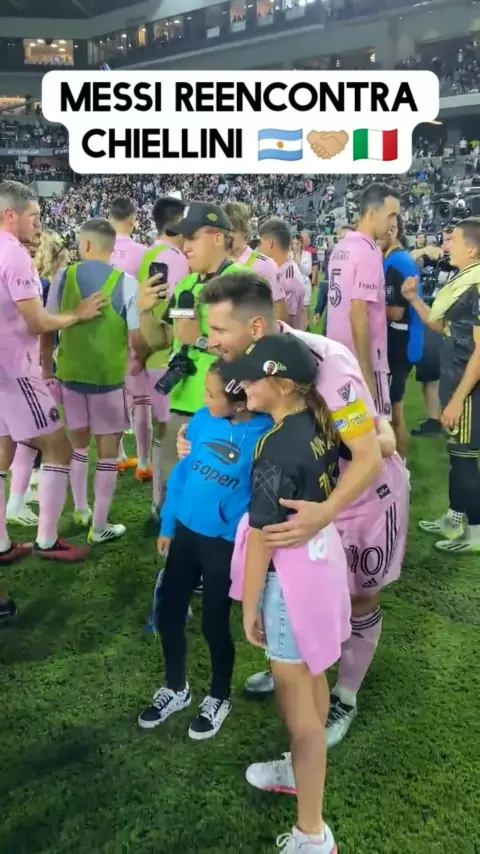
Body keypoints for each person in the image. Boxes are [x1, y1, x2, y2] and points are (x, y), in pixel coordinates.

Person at [221, 333, 348, 854]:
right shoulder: (317, 419)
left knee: (300, 717)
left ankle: (311, 834)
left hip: (290, 582)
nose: (244, 386)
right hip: (320, 567)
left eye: (254, 379)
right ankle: (301, 772)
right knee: (313, 679)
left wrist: (249, 604)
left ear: (285, 384)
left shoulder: (275, 445)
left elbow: (264, 538)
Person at [137, 360, 271, 739]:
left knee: (215, 623)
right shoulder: (201, 420)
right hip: (185, 534)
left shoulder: (266, 437)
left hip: (223, 545)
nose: (205, 400)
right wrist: (168, 524)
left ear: (240, 402)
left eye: (211, 394)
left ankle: (218, 696)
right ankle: (176, 688)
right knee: (169, 613)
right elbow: (183, 475)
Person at [0, 180, 102, 564]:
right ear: (10, 215)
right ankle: (47, 540)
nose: (38, 224)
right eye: (34, 216)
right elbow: (39, 322)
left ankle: (2, 544)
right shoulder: (14, 255)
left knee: (3, 451)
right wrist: (77, 315)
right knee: (59, 447)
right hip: (15, 369)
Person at [44, 217, 148, 545]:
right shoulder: (126, 283)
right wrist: (141, 359)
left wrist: (46, 368)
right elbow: (137, 338)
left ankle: (80, 510)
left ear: (86, 245)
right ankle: (99, 526)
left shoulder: (63, 277)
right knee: (106, 454)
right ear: (111, 247)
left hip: (71, 376)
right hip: (107, 381)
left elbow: (47, 327)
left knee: (78, 446)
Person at [139, 202, 246, 484]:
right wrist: (144, 311)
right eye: (184, 238)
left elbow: (252, 346)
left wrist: (198, 340)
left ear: (217, 238)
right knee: (172, 486)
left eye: (193, 238)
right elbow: (162, 340)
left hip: (224, 409)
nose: (185, 246)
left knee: (213, 489)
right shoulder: (186, 286)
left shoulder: (243, 283)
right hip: (180, 403)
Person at [403, 217, 480, 552]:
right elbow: (441, 327)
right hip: (455, 378)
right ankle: (454, 518)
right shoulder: (463, 281)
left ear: (472, 249)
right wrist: (413, 299)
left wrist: (458, 399)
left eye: (454, 241)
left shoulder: (477, 285)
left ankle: (475, 532)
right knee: (456, 455)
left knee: (465, 458)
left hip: (469, 387)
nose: (448, 246)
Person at [7, 229, 69, 526]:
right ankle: (19, 504)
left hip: (19, 365)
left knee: (23, 439)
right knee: (38, 439)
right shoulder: (44, 285)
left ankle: (21, 496)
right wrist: (46, 369)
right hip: (27, 367)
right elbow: (43, 329)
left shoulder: (35, 280)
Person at [326, 182, 399, 416]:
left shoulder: (341, 247)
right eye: (391, 215)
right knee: (377, 430)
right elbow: (358, 311)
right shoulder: (369, 250)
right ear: (372, 214)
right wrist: (367, 372)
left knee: (348, 428)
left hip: (338, 357)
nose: (394, 223)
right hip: (362, 359)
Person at [139, 196, 189, 519]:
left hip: (151, 357)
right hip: (168, 358)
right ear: (176, 223)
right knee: (172, 436)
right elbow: (175, 314)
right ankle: (166, 506)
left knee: (164, 434)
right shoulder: (174, 258)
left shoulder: (149, 254)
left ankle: (160, 504)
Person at [109, 196, 152, 479]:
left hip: (106, 332)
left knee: (114, 395)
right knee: (142, 399)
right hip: (134, 329)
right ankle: (145, 462)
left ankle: (118, 455)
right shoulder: (143, 253)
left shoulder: (100, 250)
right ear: (134, 219)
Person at [379, 215, 424, 459]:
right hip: (404, 340)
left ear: (393, 232)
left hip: (399, 343)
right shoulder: (399, 259)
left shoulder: (396, 263)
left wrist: (366, 307)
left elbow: (396, 312)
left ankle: (401, 469)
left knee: (394, 411)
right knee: (391, 409)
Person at [410, 228, 458, 437]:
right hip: (429, 316)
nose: (447, 244)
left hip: (450, 322)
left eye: (451, 240)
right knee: (429, 373)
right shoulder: (435, 258)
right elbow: (408, 260)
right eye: (445, 239)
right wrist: (425, 250)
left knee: (448, 374)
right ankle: (434, 419)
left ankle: (447, 419)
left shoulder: (465, 265)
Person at [222, 201, 288, 321]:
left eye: (233, 230)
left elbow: (280, 314)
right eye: (224, 231)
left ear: (244, 231)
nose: (228, 236)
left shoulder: (265, 265)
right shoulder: (214, 263)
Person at [258, 218, 305, 329]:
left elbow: (285, 321)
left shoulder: (289, 276)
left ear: (270, 244)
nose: (260, 248)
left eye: (261, 243)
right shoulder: (278, 271)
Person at [291, 232, 313, 328]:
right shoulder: (289, 255)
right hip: (293, 285)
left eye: (297, 244)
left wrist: (299, 264)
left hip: (305, 283)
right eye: (293, 244)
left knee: (304, 309)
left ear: (301, 244)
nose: (295, 246)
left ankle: (304, 329)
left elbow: (308, 271)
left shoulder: (307, 255)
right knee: (294, 311)